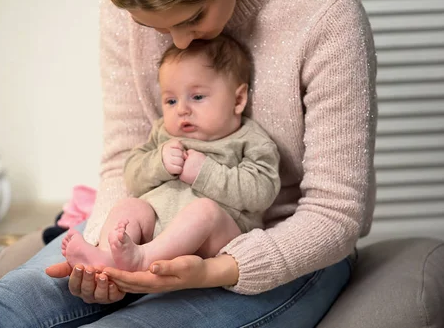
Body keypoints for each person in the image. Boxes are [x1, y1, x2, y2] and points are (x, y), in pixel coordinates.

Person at [0, 0, 377, 327]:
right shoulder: (124, 6)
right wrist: (103, 252)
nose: (180, 42)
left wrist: (215, 272)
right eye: (149, 25)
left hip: (278, 246)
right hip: (148, 228)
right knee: (3, 309)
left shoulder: (326, 15)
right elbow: (124, 163)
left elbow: (334, 213)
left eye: (192, 17)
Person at [59, 35, 280, 273]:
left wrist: (205, 173)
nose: (182, 110)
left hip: (217, 239)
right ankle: (106, 257)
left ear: (238, 100)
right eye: (171, 100)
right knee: (130, 206)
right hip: (159, 229)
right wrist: (159, 162)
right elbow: (133, 175)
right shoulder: (163, 133)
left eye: (197, 97)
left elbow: (262, 192)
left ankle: (142, 259)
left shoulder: (250, 139)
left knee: (204, 211)